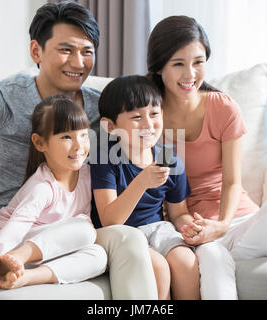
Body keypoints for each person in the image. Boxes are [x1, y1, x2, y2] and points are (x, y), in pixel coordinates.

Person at [0, 2, 157, 298]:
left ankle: (29, 276)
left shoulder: (101, 107)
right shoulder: (6, 94)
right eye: (66, 50)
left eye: (87, 52)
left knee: (122, 238)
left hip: (59, 237)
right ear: (36, 51)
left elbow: (155, 119)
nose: (78, 63)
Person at [146, 15, 267, 300]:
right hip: (194, 227)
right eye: (178, 64)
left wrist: (221, 225)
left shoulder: (223, 108)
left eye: (198, 62)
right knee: (211, 254)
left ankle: (226, 244)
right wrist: (196, 230)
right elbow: (167, 197)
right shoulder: (148, 116)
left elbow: (233, 181)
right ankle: (223, 247)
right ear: (159, 67)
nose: (190, 74)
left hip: (237, 219)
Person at [90, 75, 200, 300]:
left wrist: (191, 228)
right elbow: (110, 220)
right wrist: (141, 182)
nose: (148, 124)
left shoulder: (170, 159)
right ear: (110, 126)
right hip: (121, 236)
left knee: (186, 261)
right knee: (158, 267)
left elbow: (178, 213)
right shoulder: (104, 159)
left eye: (154, 114)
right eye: (137, 117)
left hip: (158, 228)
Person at [0, 95, 107, 289]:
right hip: (4, 247)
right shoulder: (43, 187)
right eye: (66, 137)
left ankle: (26, 277)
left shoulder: (88, 175)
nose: (79, 145)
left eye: (83, 135)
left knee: (98, 256)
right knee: (85, 230)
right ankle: (15, 261)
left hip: (41, 254)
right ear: (40, 143)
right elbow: (17, 227)